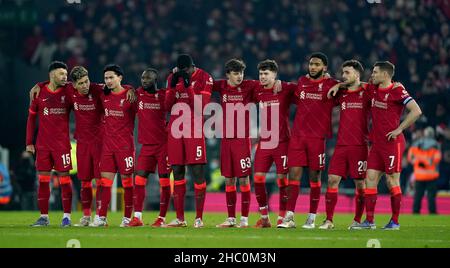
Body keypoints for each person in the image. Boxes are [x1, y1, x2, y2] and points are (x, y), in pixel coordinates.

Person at [355, 61, 422, 230]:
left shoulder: (397, 90)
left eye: (376, 72)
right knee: (369, 179)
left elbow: (416, 111)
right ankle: (370, 221)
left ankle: (395, 222)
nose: (372, 75)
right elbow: (358, 84)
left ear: (385, 75)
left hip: (393, 143)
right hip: (377, 143)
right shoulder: (373, 88)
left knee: (392, 180)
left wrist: (400, 129)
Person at [278, 52, 339, 229]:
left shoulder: (331, 84)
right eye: (311, 64)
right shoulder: (302, 81)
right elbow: (292, 93)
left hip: (317, 138)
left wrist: (340, 83)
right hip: (297, 137)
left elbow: (354, 85)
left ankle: (311, 217)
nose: (313, 67)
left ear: (324, 67)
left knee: (314, 177)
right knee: (293, 176)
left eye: (317, 64)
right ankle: (289, 217)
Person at [318, 60, 370, 230]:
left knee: (360, 185)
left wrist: (340, 84)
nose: (344, 75)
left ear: (357, 74)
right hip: (341, 145)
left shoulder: (367, 91)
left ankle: (357, 220)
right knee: (332, 180)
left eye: (347, 72)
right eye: (343, 73)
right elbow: (324, 95)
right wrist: (338, 85)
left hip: (359, 146)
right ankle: (329, 220)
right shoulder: (342, 93)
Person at [164, 54, 213, 228]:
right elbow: (167, 106)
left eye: (187, 71)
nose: (185, 73)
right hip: (175, 131)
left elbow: (202, 107)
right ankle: (180, 218)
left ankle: (198, 218)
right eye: (182, 71)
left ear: (193, 66)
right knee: (177, 171)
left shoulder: (205, 77)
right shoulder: (172, 77)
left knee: (197, 172)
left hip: (194, 129)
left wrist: (187, 87)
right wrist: (171, 86)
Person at [26, 61, 73, 227]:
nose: (65, 77)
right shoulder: (39, 93)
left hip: (62, 145)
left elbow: (87, 89)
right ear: (52, 75)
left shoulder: (69, 91)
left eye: (66, 75)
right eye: (62, 74)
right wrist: (29, 142)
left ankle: (66, 217)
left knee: (65, 180)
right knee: (43, 181)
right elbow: (31, 119)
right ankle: (44, 217)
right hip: (43, 145)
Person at [212, 59, 256, 228]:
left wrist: (279, 82)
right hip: (226, 140)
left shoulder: (249, 86)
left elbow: (268, 84)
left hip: (242, 140)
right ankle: (231, 218)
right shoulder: (221, 86)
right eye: (236, 73)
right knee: (229, 180)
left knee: (243, 179)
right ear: (228, 74)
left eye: (241, 73)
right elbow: (203, 82)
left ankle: (244, 219)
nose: (240, 76)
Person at [252, 59, 296, 228]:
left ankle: (282, 217)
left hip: (283, 142)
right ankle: (264, 218)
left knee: (282, 180)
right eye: (261, 74)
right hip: (265, 141)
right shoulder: (257, 90)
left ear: (275, 74)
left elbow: (305, 87)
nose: (262, 77)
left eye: (266, 74)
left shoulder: (285, 88)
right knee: (258, 178)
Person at [93, 64, 137, 227]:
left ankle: (126, 218)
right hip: (108, 147)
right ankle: (101, 217)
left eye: (111, 77)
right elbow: (83, 85)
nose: (108, 81)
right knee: (105, 184)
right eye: (106, 78)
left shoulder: (131, 95)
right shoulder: (103, 95)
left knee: (127, 182)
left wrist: (131, 88)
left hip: (125, 147)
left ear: (120, 78)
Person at [129, 68, 172, 227]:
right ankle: (138, 217)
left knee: (164, 182)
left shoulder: (163, 95)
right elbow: (126, 90)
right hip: (146, 146)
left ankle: (161, 218)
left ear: (155, 80)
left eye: (148, 78)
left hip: (163, 146)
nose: (144, 80)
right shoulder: (137, 94)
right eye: (142, 78)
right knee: (139, 179)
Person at [408, 127, 441, 214]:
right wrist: (428, 162)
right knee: (431, 196)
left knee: (418, 195)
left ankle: (415, 212)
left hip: (419, 175)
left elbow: (410, 158)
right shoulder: (436, 144)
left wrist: (418, 162)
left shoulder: (416, 144)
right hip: (431, 175)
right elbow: (437, 159)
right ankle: (432, 212)